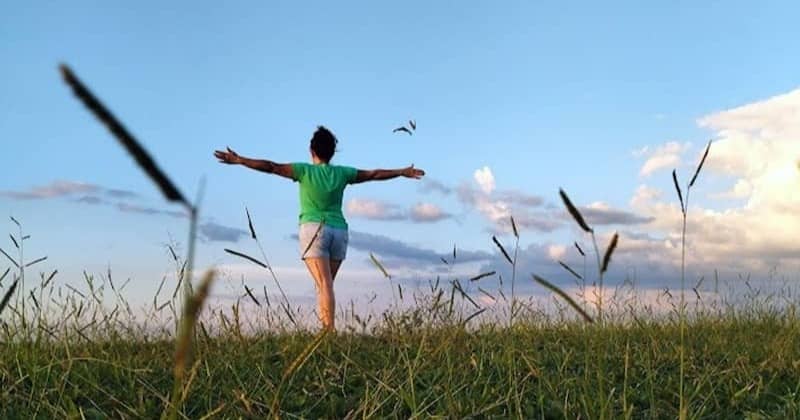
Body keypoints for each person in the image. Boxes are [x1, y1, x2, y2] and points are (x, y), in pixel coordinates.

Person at [214, 126, 425, 330]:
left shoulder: (304, 171)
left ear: (311, 150)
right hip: (339, 232)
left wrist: (240, 160)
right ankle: (324, 331)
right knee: (326, 285)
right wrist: (401, 171)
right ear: (332, 152)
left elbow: (271, 166)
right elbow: (373, 174)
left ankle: (328, 334)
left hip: (314, 230)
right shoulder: (343, 173)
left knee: (324, 285)